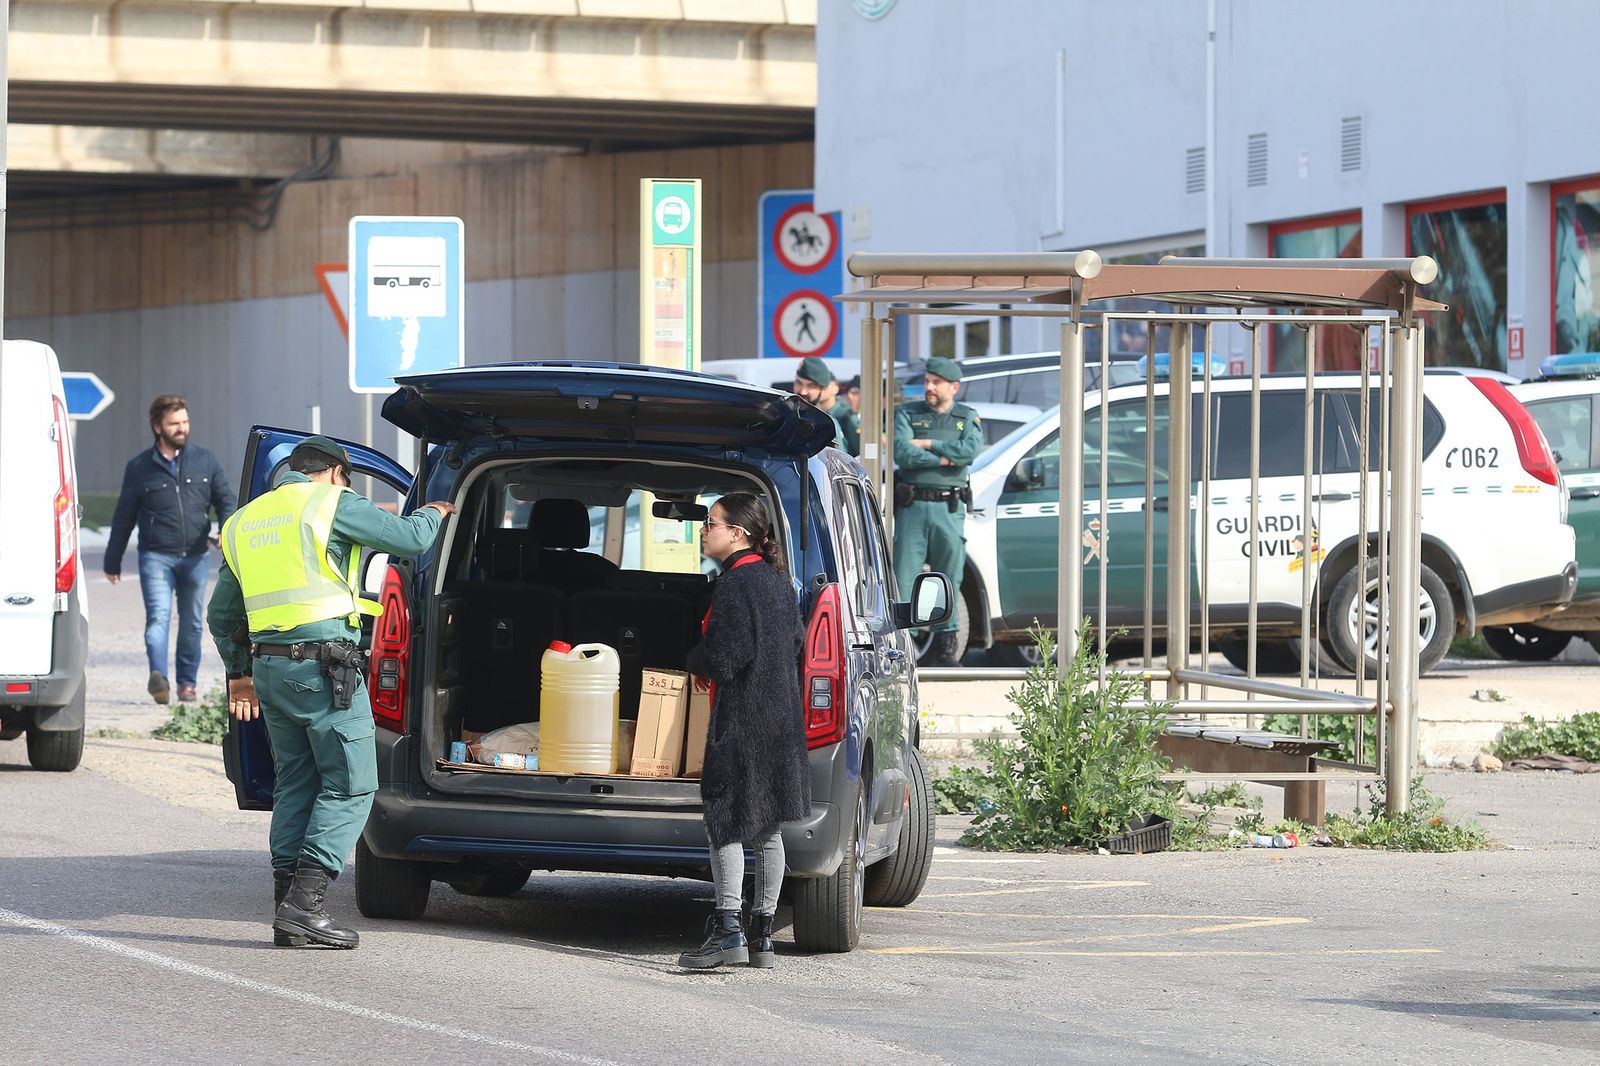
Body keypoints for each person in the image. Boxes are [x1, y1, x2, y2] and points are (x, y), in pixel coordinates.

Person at [206, 435, 456, 949]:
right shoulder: (330, 504)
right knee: (351, 784)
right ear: (338, 472)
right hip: (324, 671)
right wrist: (434, 511)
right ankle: (306, 906)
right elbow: (408, 539)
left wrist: (239, 673)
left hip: (271, 671)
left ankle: (285, 903)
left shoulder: (244, 521)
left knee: (296, 784)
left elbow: (221, 615)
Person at [679, 492, 810, 970]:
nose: (703, 529)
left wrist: (695, 660)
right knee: (768, 830)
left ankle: (728, 929)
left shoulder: (734, 584)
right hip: (781, 722)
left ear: (738, 533)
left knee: (726, 823)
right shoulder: (778, 582)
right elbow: (795, 642)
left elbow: (727, 655)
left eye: (711, 522)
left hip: (742, 721)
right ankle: (764, 937)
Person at [105, 394, 237, 705]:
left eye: (185, 422)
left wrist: (225, 530)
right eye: (174, 423)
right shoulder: (139, 468)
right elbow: (124, 515)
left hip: (195, 555)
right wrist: (113, 560)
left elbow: (226, 501)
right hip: (156, 556)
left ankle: (187, 684)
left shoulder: (206, 460)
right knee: (158, 617)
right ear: (157, 427)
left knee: (192, 621)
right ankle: (159, 678)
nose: (181, 428)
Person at [892, 356, 983, 666]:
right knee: (903, 579)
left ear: (954, 387)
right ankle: (901, 648)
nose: (929, 387)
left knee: (949, 578)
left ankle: (946, 649)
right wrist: (946, 458)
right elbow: (903, 454)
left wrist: (928, 443)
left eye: (936, 382)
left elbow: (969, 451)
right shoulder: (907, 413)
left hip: (949, 506)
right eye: (927, 380)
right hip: (913, 506)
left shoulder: (966, 417)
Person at [791, 356, 857, 455]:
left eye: (811, 386)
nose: (802, 391)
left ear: (823, 389)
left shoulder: (827, 424)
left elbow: (836, 464)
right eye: (798, 383)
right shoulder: (783, 417)